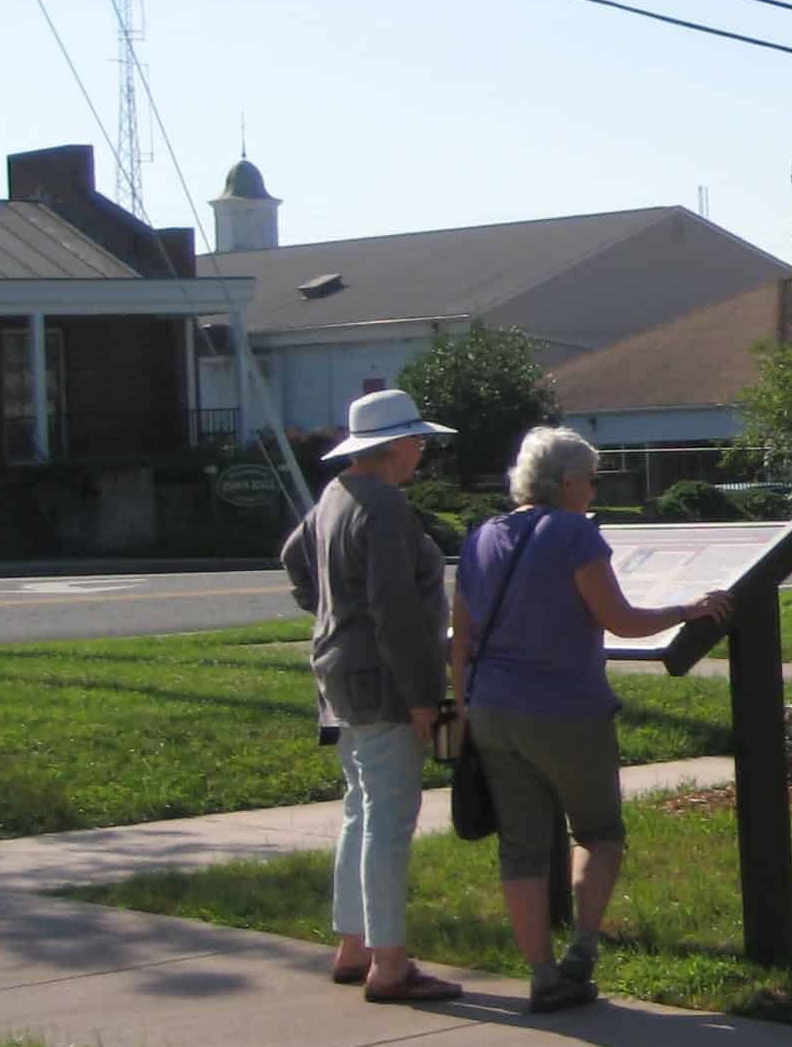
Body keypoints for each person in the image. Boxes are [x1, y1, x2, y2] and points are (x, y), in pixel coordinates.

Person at [454, 426, 729, 1013]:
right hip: (565, 709)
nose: (596, 488)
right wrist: (690, 609)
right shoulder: (574, 533)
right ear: (567, 481)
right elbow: (620, 620)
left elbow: (462, 637)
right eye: (592, 477)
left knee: (521, 849)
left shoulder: (480, 538)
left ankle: (540, 975)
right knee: (599, 832)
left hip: (491, 710)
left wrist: (461, 709)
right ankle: (582, 950)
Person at [281, 387, 463, 1004]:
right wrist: (421, 697)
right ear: (392, 446)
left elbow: (294, 558)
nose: (422, 451)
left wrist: (332, 612)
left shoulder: (335, 494)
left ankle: (354, 945)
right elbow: (395, 609)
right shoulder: (384, 505)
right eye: (417, 441)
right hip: (385, 680)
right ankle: (390, 963)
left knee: (360, 808)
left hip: (338, 673)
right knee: (389, 819)